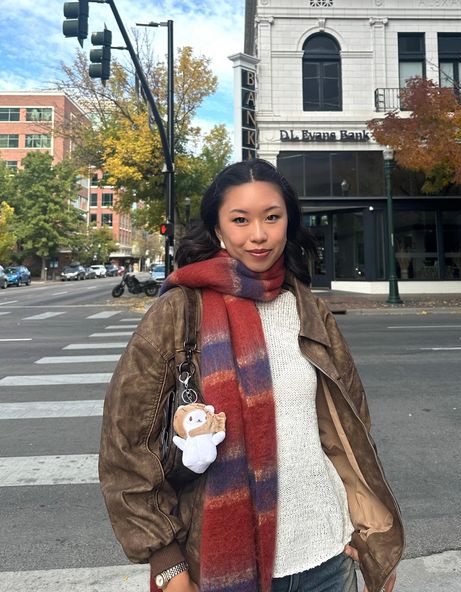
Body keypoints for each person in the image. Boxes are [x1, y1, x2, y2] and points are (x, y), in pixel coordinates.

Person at [99, 159, 404, 592]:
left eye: (272, 217)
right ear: (218, 228)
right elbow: (125, 443)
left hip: (329, 555)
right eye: (240, 220)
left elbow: (350, 430)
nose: (258, 235)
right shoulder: (181, 309)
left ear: (288, 223)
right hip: (220, 562)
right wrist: (166, 561)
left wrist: (370, 528)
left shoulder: (308, 309)